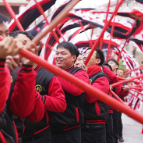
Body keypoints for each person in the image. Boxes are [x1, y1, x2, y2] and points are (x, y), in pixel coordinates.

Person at [9, 30, 67, 143]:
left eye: (28, 44)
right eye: (22, 42)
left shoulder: (47, 75)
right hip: (13, 134)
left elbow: (61, 104)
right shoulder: (8, 72)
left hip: (39, 134)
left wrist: (33, 95)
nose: (26, 47)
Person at [0, 14, 44, 143]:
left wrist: (27, 69)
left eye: (6, 34)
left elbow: (26, 111)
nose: (4, 40)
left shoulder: (14, 69)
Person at [50, 42, 89, 143]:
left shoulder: (80, 73)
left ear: (73, 58)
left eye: (63, 53)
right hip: (49, 128)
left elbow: (76, 89)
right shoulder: (50, 72)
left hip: (70, 129)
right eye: (57, 53)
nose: (58, 56)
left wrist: (54, 74)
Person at [81, 48, 110, 143]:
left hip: (94, 125)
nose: (85, 56)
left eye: (89, 54)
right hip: (78, 123)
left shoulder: (102, 77)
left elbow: (90, 97)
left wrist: (83, 75)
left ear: (98, 60)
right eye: (85, 53)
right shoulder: (80, 74)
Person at [107, 59, 129, 143]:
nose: (109, 64)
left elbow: (120, 92)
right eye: (108, 63)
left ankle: (119, 136)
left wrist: (126, 90)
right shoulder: (103, 75)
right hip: (105, 105)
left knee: (116, 122)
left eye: (111, 63)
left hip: (116, 104)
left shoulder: (119, 79)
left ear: (116, 66)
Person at [117, 69, 125, 142]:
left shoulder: (124, 82)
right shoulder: (114, 79)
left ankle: (120, 135)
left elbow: (123, 93)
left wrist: (126, 90)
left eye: (121, 72)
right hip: (111, 102)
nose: (119, 73)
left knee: (118, 119)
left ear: (123, 74)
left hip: (119, 102)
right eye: (118, 72)